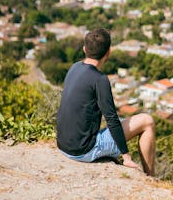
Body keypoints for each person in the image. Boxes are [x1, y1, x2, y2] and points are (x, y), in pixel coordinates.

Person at [57, 28, 155, 176]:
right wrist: (126, 156)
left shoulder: (74, 67)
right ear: (108, 53)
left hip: (63, 144)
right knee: (147, 121)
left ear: (84, 49)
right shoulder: (100, 79)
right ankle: (151, 177)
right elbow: (111, 119)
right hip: (83, 150)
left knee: (125, 121)